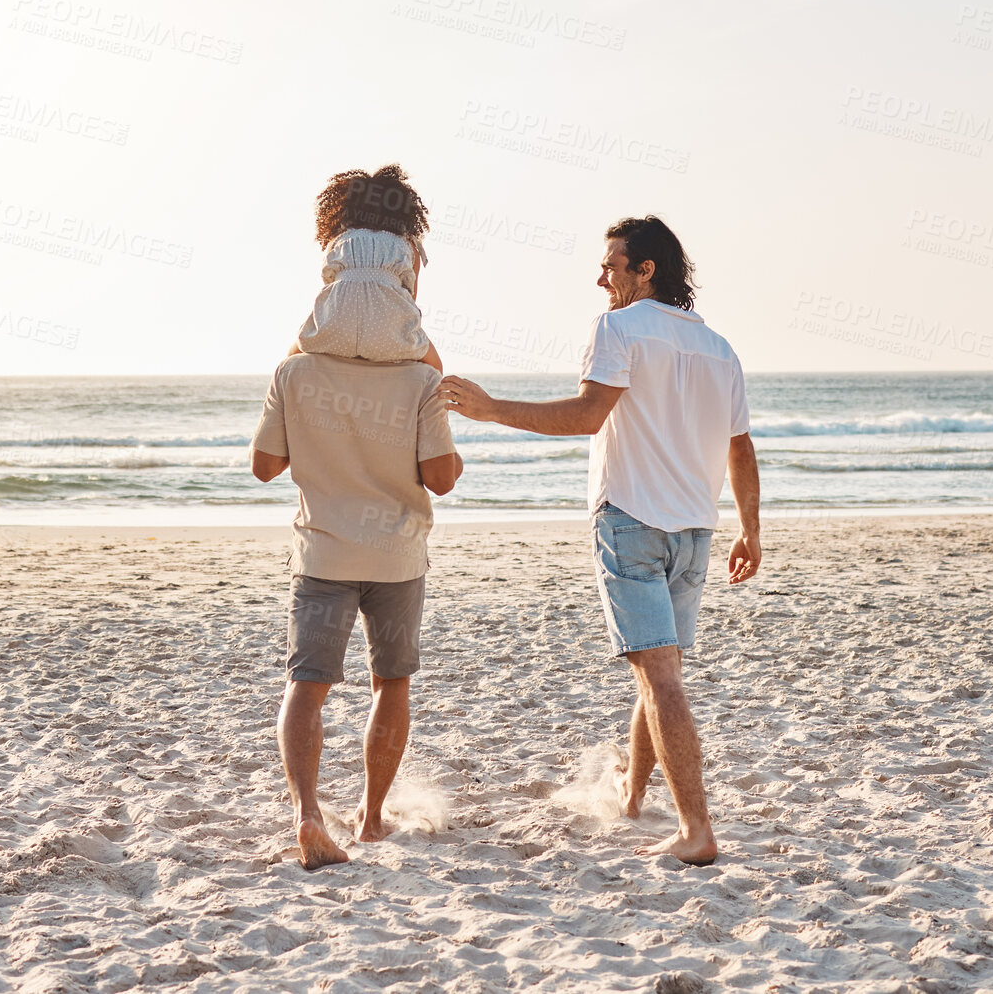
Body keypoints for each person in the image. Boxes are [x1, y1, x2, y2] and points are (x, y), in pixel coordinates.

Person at [438, 215, 760, 865]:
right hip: (696, 529)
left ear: (647, 270)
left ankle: (696, 829)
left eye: (612, 264)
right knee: (658, 669)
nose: (601, 277)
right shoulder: (719, 347)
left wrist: (492, 408)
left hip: (632, 522)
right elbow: (740, 447)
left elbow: (588, 415)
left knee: (661, 676)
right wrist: (752, 528)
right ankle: (635, 798)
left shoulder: (618, 328)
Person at [251, 165, 463, 870]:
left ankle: (309, 816)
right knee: (390, 684)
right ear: (404, 265)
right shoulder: (422, 378)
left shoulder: (295, 372)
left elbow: (265, 466)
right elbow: (441, 478)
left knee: (305, 688)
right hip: (396, 558)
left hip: (323, 556)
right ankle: (371, 819)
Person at [287, 163, 444, 372]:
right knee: (435, 367)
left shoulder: (340, 240)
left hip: (335, 327)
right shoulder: (407, 244)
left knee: (290, 360)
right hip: (387, 332)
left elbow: (330, 285)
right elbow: (410, 298)